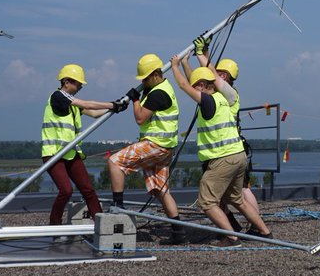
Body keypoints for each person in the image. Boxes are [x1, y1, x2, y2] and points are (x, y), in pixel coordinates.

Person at [170, 54, 272, 245]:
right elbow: (194, 81)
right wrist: (185, 63)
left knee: (207, 202)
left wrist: (174, 66)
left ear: (202, 85)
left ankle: (232, 237)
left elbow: (185, 86)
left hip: (222, 158)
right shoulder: (222, 98)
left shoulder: (208, 102)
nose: (194, 90)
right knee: (237, 198)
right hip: (238, 156)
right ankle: (265, 232)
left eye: (197, 86)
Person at [106, 53, 185, 244]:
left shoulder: (158, 93)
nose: (143, 81)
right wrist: (140, 96)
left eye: (145, 77)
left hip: (156, 145)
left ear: (156, 74)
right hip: (164, 148)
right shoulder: (161, 89)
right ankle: (178, 233)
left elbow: (140, 118)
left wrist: (134, 100)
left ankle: (118, 206)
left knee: (114, 162)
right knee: (161, 190)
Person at [41, 63, 126, 226]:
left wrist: (116, 109)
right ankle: (54, 226)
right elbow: (88, 105)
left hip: (70, 153)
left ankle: (101, 225)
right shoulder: (58, 97)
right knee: (66, 190)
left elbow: (93, 113)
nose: (80, 87)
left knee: (88, 190)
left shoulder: (71, 104)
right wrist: (111, 104)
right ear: (66, 82)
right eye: (78, 84)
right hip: (53, 154)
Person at [193, 41, 259, 231]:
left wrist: (199, 53)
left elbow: (211, 75)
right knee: (223, 197)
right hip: (219, 151)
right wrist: (204, 51)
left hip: (229, 150)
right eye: (219, 71)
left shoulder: (230, 94)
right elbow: (207, 74)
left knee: (243, 192)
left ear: (230, 79)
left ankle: (254, 227)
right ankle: (233, 227)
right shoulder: (218, 93)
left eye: (224, 74)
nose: (219, 75)